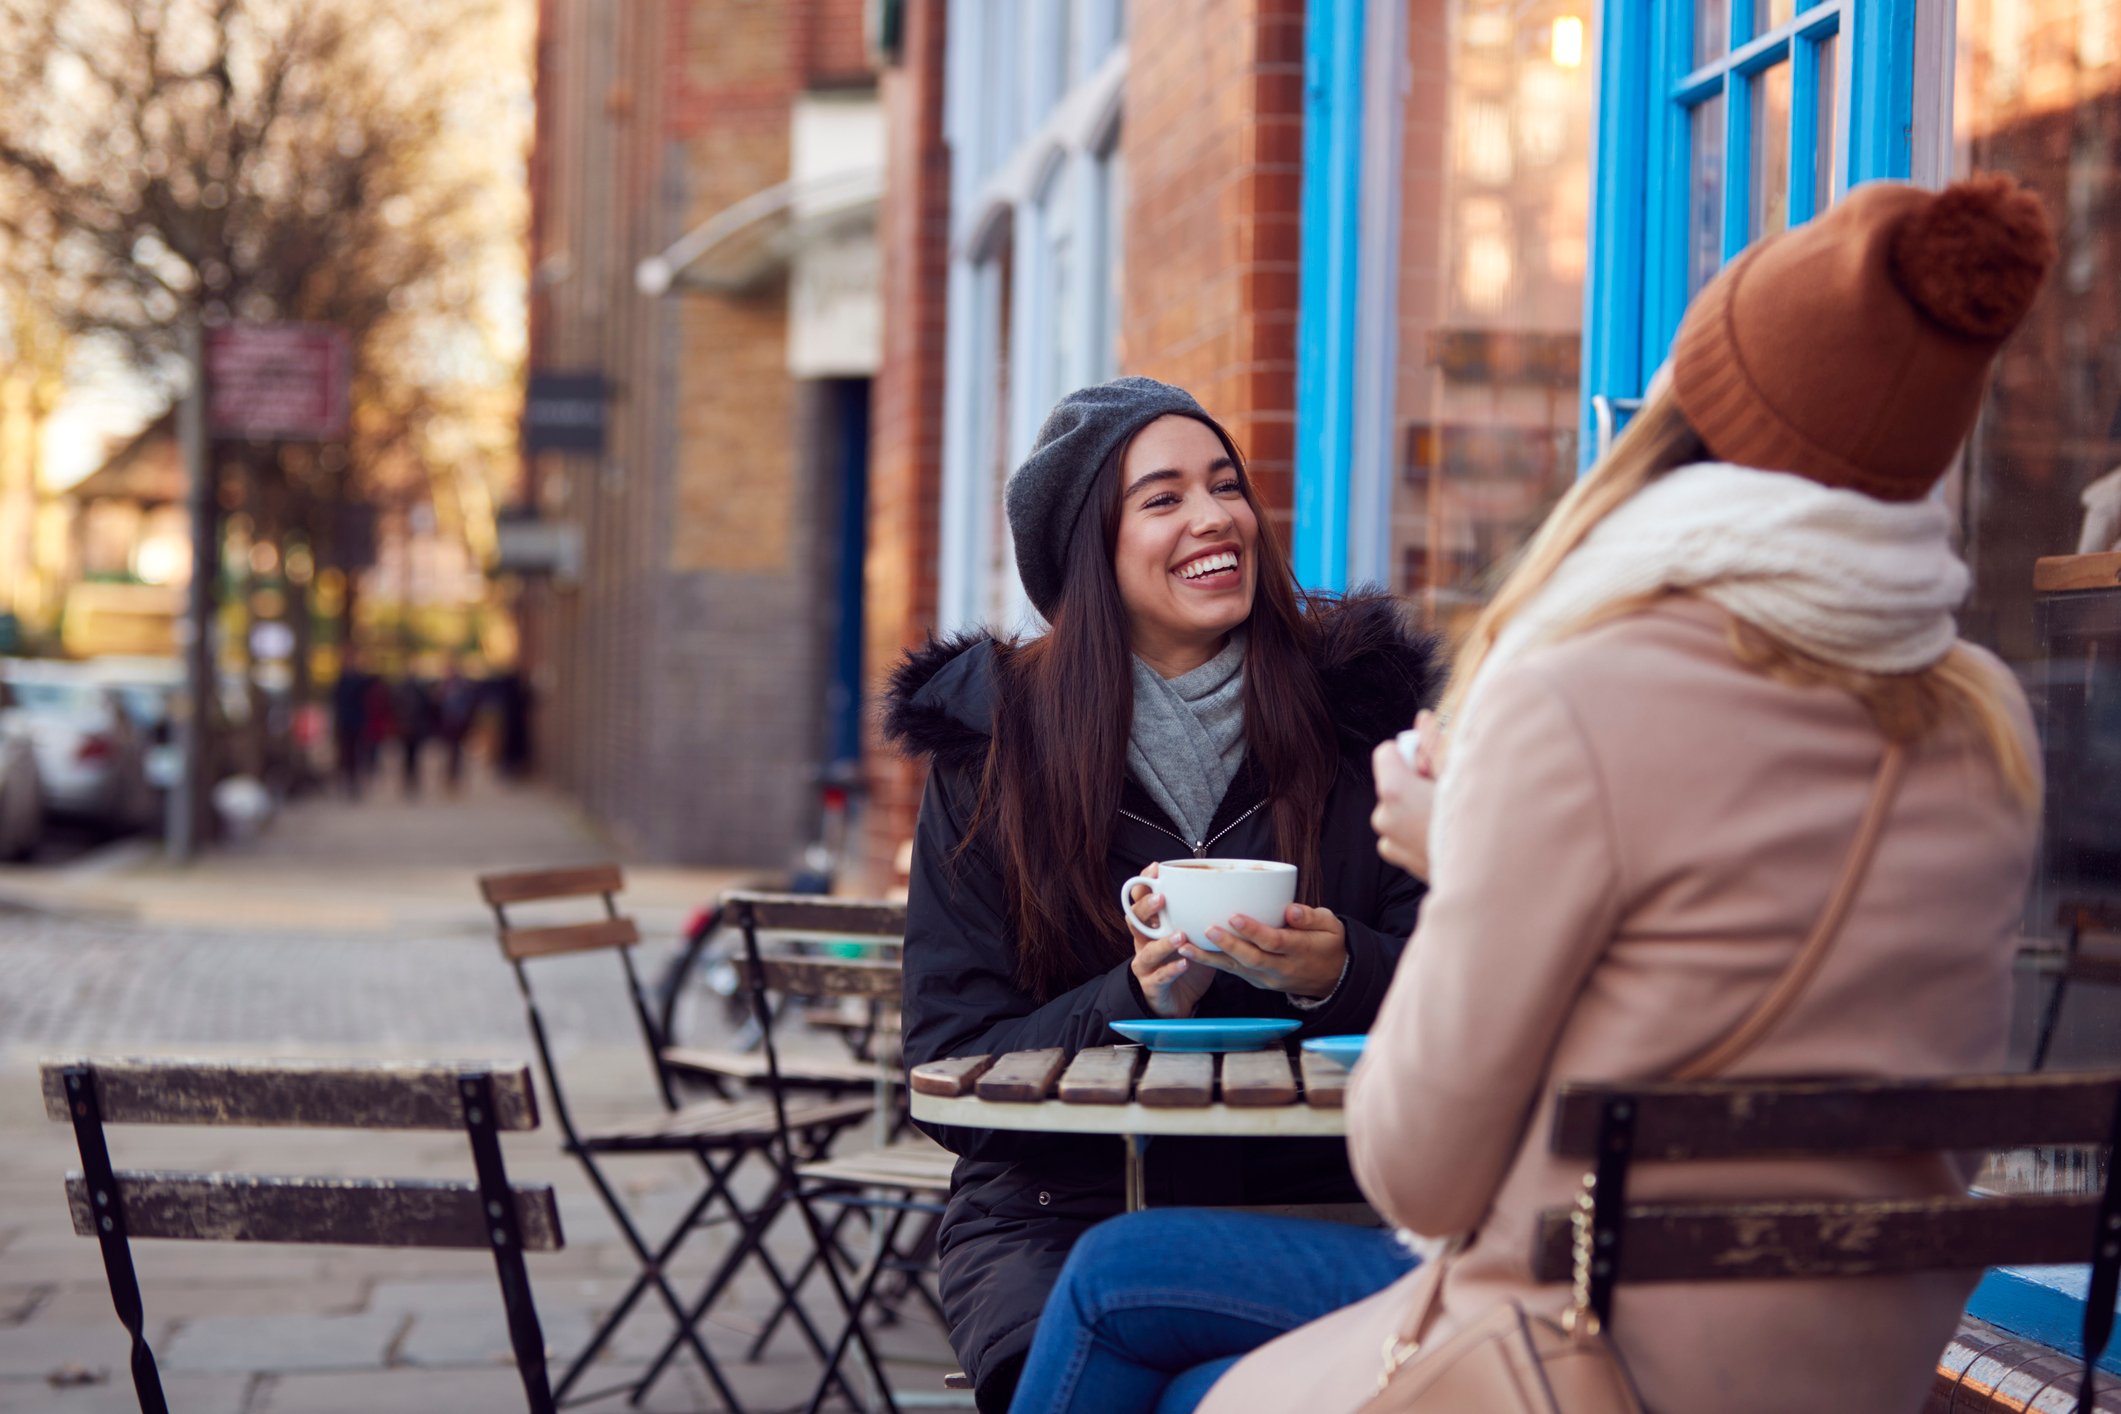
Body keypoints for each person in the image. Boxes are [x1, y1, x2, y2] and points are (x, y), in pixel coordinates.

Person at [1011, 175, 2056, 1414]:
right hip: (1861, 1360)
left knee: (1144, 1329)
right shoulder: (1985, 719)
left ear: (1691, 421)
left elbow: (1419, 1177)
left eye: (1221, 482)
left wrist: (1470, 863)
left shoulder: (1580, 689)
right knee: (1142, 1303)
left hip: (1590, 1356)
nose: (1214, 517)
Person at [883, 376, 1438, 1414]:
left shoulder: (1359, 714)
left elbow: (1466, 980)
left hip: (1322, 1196)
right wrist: (1131, 1000)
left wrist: (1342, 969)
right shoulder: (993, 749)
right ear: (1091, 549)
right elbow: (948, 1057)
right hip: (1059, 1209)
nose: (1214, 516)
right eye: (1164, 497)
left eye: (1225, 485)